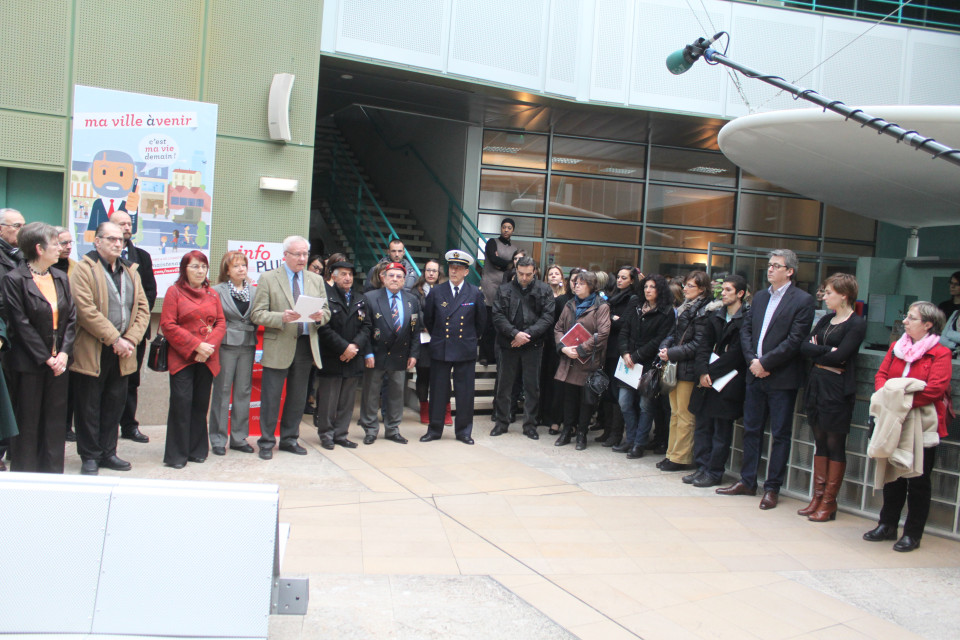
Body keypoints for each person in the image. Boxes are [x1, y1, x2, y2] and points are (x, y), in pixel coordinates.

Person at [717, 249, 815, 510]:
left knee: (780, 434)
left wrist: (766, 363)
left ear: (790, 271)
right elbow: (746, 331)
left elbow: (795, 340)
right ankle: (747, 481)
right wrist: (753, 361)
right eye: (769, 265)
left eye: (776, 266)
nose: (770, 269)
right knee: (751, 429)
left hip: (781, 376)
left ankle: (772, 488)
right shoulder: (760, 297)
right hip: (754, 373)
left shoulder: (803, 301)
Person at [863, 302, 951, 551]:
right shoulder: (895, 347)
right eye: (906, 317)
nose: (905, 321)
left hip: (922, 422)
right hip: (892, 419)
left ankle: (913, 534)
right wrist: (888, 397)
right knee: (892, 474)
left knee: (918, 480)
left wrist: (898, 402)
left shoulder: (940, 352)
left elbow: (935, 389)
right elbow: (881, 376)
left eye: (911, 318)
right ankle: (887, 525)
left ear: (927, 324)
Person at [69, 221, 151, 475]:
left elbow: (143, 310)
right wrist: (115, 339)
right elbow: (85, 311)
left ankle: (108, 452)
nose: (118, 243)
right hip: (93, 350)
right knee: (89, 406)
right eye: (111, 239)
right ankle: (90, 456)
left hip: (124, 351)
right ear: (97, 241)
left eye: (121, 240)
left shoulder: (131, 272)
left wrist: (130, 340)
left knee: (114, 404)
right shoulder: (83, 270)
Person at [2, 223, 76, 473]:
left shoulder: (61, 277)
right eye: (55, 243)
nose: (61, 248)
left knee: (55, 424)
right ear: (39, 248)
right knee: (28, 424)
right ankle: (25, 479)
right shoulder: (14, 280)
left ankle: (53, 476)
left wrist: (64, 353)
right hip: (29, 364)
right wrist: (46, 357)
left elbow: (72, 319)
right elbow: (19, 324)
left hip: (59, 363)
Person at [250, 235, 330, 460]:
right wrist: (280, 318)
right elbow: (257, 313)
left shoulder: (315, 280)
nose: (303, 258)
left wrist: (319, 316)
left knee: (297, 398)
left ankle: (289, 439)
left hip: (305, 346)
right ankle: (266, 442)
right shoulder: (268, 278)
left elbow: (327, 311)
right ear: (285, 255)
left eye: (305, 254)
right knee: (272, 397)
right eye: (298, 254)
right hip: (279, 344)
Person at [797, 273, 867, 521]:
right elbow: (805, 347)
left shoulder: (856, 323)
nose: (824, 297)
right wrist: (827, 351)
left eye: (828, 293)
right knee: (819, 440)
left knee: (835, 442)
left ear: (844, 294)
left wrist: (822, 351)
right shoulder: (826, 319)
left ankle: (829, 501)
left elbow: (842, 356)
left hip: (837, 388)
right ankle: (816, 496)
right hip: (817, 382)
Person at [160, 251, 225, 468]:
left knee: (200, 404)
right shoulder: (174, 292)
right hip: (182, 357)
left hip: (207, 358)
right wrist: (196, 345)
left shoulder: (213, 294)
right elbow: (168, 325)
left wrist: (207, 348)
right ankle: (176, 455)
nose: (200, 271)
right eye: (195, 266)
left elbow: (221, 323)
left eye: (203, 267)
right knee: (181, 403)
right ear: (184, 269)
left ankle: (197, 450)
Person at [686, 275, 748, 488]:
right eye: (723, 290)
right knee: (702, 426)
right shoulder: (716, 316)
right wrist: (703, 372)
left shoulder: (745, 320)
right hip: (707, 381)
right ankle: (701, 467)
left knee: (721, 431)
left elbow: (737, 354)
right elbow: (704, 346)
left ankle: (714, 472)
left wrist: (711, 372)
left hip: (728, 382)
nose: (723, 293)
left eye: (728, 290)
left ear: (740, 293)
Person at [421, 249, 486, 444]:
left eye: (458, 268)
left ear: (467, 271)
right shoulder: (437, 291)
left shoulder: (474, 293)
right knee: (439, 391)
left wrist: (471, 339)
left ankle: (464, 431)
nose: (454, 271)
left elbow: (481, 322)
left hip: (464, 348)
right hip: (442, 347)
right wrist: (439, 337)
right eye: (451, 267)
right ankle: (434, 429)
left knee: (465, 392)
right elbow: (429, 320)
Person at [491, 255, 554, 439]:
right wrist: (514, 333)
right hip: (508, 343)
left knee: (532, 387)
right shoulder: (504, 289)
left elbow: (548, 317)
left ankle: (530, 425)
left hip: (533, 344)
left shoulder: (544, 290)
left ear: (534, 271)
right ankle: (501, 423)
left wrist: (527, 335)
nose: (524, 278)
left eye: (528, 274)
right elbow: (497, 315)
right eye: (521, 274)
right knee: (504, 386)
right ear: (515, 271)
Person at [657, 270, 713, 472]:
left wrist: (671, 353)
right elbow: (672, 333)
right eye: (686, 285)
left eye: (691, 286)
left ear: (702, 289)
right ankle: (671, 453)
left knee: (685, 415)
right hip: (676, 365)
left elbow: (698, 343)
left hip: (689, 369)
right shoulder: (684, 308)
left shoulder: (704, 311)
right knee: (674, 413)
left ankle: (681, 457)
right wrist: (665, 348)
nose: (686, 289)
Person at [358, 262, 419, 445]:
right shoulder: (370, 298)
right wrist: (367, 353)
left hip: (400, 355)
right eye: (391, 275)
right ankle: (370, 429)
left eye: (399, 276)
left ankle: (393, 429)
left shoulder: (412, 300)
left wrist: (414, 354)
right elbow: (364, 330)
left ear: (404, 280)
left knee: (396, 394)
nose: (395, 279)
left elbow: (415, 330)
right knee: (371, 393)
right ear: (383, 278)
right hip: (376, 354)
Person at [615, 274, 675, 457]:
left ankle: (639, 444)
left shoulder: (667, 312)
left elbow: (659, 339)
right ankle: (631, 438)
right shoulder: (635, 306)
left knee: (645, 405)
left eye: (652, 287)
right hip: (628, 363)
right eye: (646, 286)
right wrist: (625, 353)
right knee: (624, 402)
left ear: (660, 290)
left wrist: (636, 355)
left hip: (649, 364)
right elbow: (624, 330)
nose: (648, 290)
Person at [111, 210, 157, 444]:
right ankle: (105, 427)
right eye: (121, 224)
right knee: (108, 380)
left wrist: (134, 326)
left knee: (131, 379)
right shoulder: (96, 260)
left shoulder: (143, 257)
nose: (126, 227)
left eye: (129, 223)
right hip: (108, 334)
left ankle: (129, 426)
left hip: (135, 333)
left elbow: (150, 293)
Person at [315, 259, 370, 449]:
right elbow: (323, 328)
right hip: (333, 355)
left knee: (347, 400)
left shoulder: (360, 298)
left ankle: (341, 434)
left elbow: (367, 326)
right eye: (343, 274)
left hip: (353, 356)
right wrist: (343, 348)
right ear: (334, 276)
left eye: (350, 274)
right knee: (329, 400)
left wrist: (354, 347)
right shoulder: (325, 296)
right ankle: (326, 434)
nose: (348, 278)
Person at [553, 270, 611, 450]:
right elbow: (558, 328)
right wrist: (563, 348)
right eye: (575, 283)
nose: (576, 286)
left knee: (586, 401)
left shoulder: (601, 306)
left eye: (581, 283)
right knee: (569, 398)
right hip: (569, 359)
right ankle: (566, 431)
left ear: (591, 286)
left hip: (588, 361)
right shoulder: (570, 304)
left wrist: (580, 349)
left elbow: (602, 334)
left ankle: (581, 434)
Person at [208, 251, 258, 456]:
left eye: (244, 265)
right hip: (226, 344)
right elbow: (212, 318)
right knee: (222, 390)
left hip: (248, 344)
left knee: (243, 391)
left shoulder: (254, 290)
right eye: (236, 266)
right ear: (227, 270)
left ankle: (239, 437)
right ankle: (218, 438)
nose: (241, 269)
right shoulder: (216, 291)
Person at [599, 266, 640, 447]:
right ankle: (607, 430)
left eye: (624, 277)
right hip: (608, 348)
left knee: (617, 393)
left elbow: (624, 323)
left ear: (632, 280)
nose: (620, 280)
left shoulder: (633, 297)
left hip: (620, 350)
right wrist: (612, 318)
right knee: (607, 390)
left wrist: (611, 318)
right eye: (619, 277)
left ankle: (616, 433)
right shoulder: (614, 296)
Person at [412, 259, 449, 425]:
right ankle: (424, 409)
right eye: (428, 270)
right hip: (423, 340)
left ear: (439, 273)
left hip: (441, 339)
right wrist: (426, 324)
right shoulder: (415, 292)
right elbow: (415, 311)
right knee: (423, 376)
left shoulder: (446, 290)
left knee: (443, 377)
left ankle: (445, 410)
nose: (431, 273)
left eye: (434, 271)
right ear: (424, 272)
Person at [480, 219, 518, 365]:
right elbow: (493, 259)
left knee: (500, 323)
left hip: (505, 286)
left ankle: (495, 355)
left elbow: (513, 266)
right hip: (490, 284)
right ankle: (484, 355)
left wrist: (503, 264)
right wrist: (506, 264)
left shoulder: (514, 248)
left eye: (509, 228)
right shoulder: (492, 242)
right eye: (504, 227)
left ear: (512, 230)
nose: (506, 230)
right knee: (488, 322)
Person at [538, 264, 570, 435]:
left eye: (557, 273)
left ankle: (555, 415)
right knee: (544, 378)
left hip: (560, 343)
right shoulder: (542, 293)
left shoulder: (566, 298)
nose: (553, 276)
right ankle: (542, 413)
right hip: (545, 341)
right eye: (550, 274)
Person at [937, 271, 960, 356]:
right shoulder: (943, 306)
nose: (952, 286)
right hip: (942, 348)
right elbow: (938, 328)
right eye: (951, 283)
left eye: (957, 284)